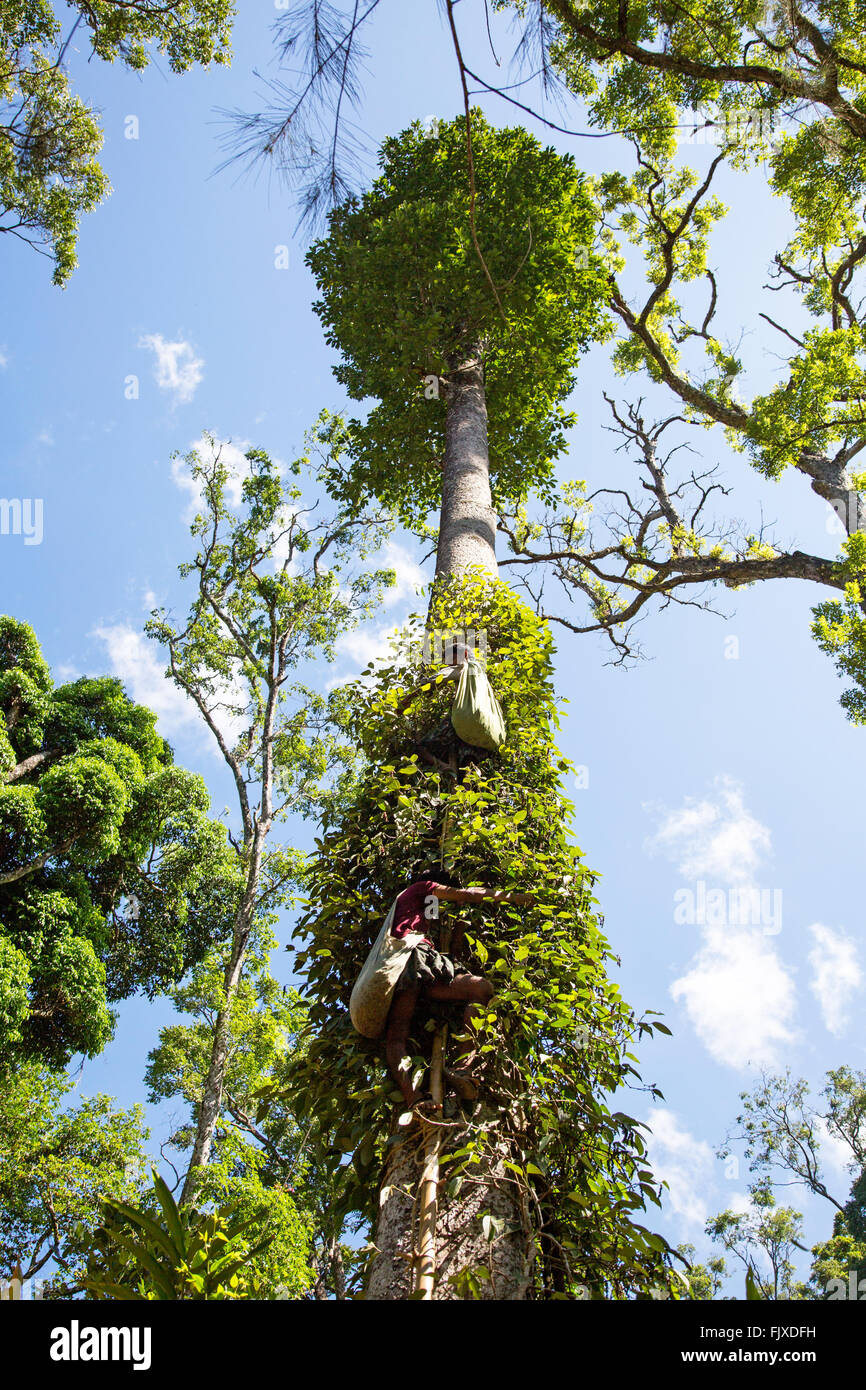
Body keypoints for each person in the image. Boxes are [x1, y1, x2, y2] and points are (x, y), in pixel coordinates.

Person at [383, 872, 532, 1106]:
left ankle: (415, 1100)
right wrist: (513, 897)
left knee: (396, 1035)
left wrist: (459, 923)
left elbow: (436, 930)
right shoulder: (423, 887)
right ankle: (462, 1067)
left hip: (396, 966)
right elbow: (468, 894)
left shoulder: (411, 904)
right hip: (414, 960)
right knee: (481, 989)